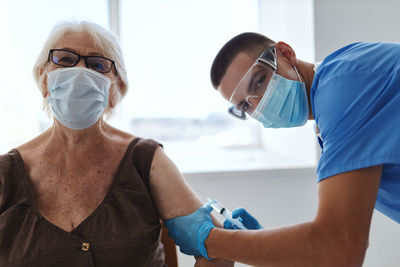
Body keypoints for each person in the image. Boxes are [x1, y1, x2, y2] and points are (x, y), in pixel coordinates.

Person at [0, 20, 233, 267]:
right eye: (65, 60)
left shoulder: (145, 161)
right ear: (44, 79)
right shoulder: (6, 173)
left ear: (116, 89)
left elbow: (219, 249)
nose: (80, 71)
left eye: (97, 65)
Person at [165, 32, 400, 266]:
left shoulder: (343, 90)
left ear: (286, 54)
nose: (259, 104)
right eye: (245, 105)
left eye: (259, 81)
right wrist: (257, 242)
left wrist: (212, 241)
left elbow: (338, 248)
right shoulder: (338, 85)